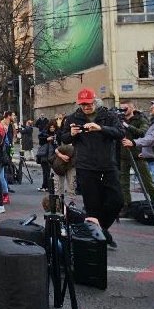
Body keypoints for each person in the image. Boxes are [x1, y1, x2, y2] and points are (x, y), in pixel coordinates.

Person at [60, 89, 124, 249]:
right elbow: (63, 137)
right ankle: (96, 238)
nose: (86, 107)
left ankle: (101, 229)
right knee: (92, 205)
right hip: (85, 165)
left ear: (95, 101)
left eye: (88, 103)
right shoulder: (73, 117)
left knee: (117, 201)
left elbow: (121, 133)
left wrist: (101, 128)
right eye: (82, 104)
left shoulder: (108, 115)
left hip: (107, 164)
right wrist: (71, 134)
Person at [118, 100, 154, 213]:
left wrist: (126, 126)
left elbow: (142, 133)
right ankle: (127, 206)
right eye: (122, 109)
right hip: (123, 155)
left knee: (147, 182)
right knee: (123, 183)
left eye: (126, 108)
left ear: (132, 108)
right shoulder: (119, 120)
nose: (123, 111)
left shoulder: (140, 119)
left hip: (137, 154)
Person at [36, 121, 59, 194]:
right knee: (45, 171)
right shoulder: (44, 134)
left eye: (53, 127)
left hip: (54, 155)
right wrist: (46, 139)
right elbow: (40, 141)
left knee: (54, 172)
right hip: (45, 155)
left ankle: (52, 186)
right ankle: (45, 186)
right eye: (51, 127)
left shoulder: (58, 134)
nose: (52, 128)